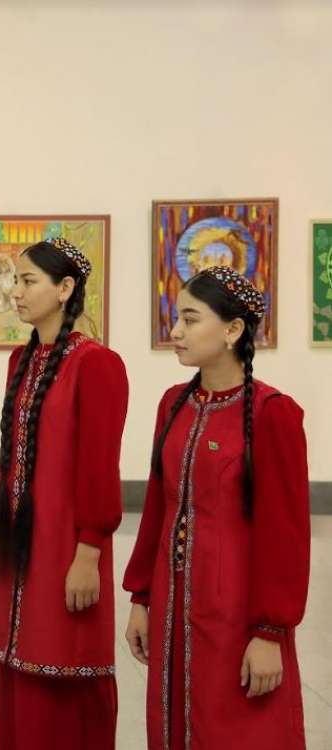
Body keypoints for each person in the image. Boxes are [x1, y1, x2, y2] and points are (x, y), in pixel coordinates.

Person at [123, 265, 309, 749]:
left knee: (235, 728)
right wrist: (141, 599)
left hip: (235, 612)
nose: (175, 332)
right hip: (172, 604)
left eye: (189, 320)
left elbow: (286, 535)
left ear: (232, 330)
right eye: (176, 319)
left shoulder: (272, 413)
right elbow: (158, 510)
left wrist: (269, 632)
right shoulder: (173, 405)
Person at [0, 237, 127, 750]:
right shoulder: (20, 360)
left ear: (64, 289)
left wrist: (89, 552)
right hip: (21, 543)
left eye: (28, 281)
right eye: (15, 281)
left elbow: (100, 468)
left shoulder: (97, 364)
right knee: (17, 657)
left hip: (66, 544)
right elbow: (10, 460)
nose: (16, 292)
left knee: (62, 658)